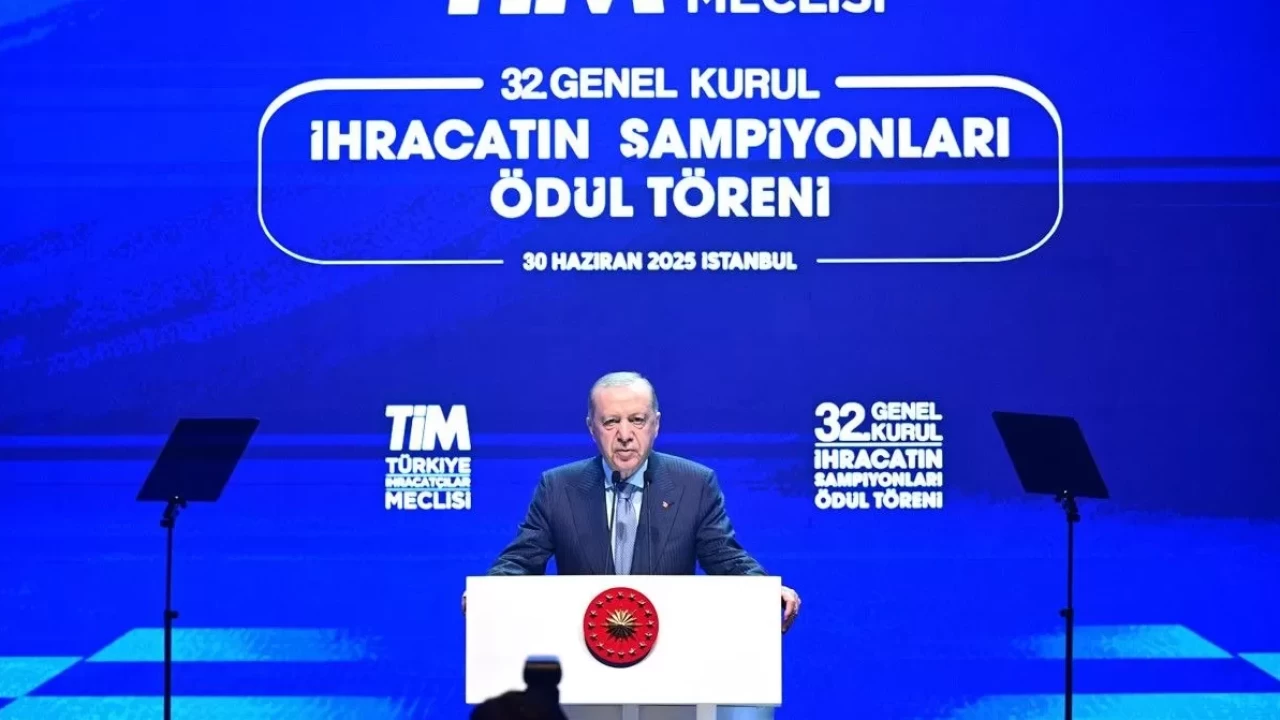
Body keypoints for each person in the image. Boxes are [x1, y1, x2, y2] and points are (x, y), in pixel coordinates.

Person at [463, 371, 800, 632]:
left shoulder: (694, 484)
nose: (625, 435)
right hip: (583, 658)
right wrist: (488, 592)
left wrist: (765, 590)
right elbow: (521, 560)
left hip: (670, 656)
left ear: (656, 424)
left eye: (637, 420)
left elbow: (725, 558)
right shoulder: (558, 487)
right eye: (611, 422)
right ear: (592, 428)